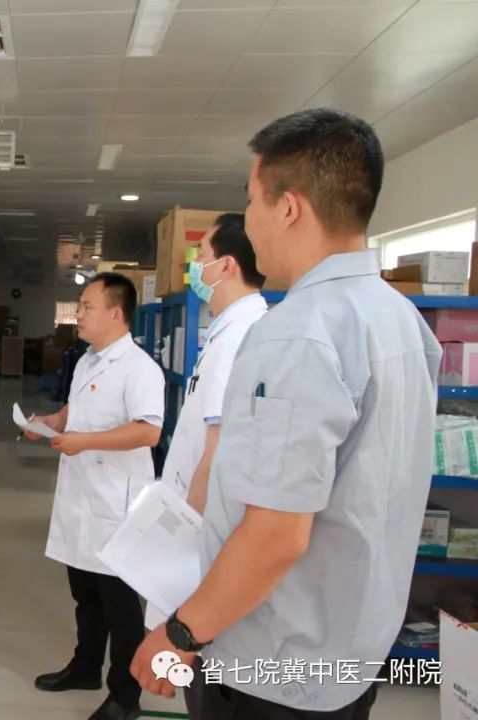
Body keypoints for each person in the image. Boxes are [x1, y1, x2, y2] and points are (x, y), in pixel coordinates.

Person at [131, 108, 441, 720]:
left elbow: (275, 534)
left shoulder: (297, 334)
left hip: (271, 669)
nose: (248, 219)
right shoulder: (401, 318)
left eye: (252, 201)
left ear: (290, 207)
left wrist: (181, 635)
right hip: (348, 653)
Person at [26, 273, 165, 720]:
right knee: (85, 594)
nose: (79, 314)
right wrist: (51, 422)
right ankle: (85, 666)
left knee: (119, 605)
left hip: (114, 504)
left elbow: (148, 431)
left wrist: (84, 441)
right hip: (82, 496)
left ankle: (125, 695)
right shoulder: (88, 360)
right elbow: (76, 411)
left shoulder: (140, 368)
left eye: (87, 306)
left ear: (116, 313)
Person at [160, 213, 267, 513]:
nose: (195, 265)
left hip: (199, 517)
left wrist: (186, 527)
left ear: (226, 266)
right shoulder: (231, 329)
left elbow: (216, 451)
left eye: (202, 255)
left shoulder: (237, 337)